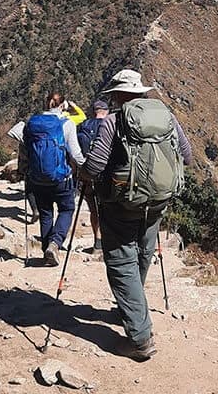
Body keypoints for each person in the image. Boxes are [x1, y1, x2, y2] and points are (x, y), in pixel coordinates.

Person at [83, 69, 192, 361]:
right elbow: (187, 155)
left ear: (118, 95)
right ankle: (132, 310)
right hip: (157, 203)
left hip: (121, 205)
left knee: (121, 263)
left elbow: (94, 167)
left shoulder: (113, 122)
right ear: (141, 92)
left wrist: (82, 174)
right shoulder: (167, 117)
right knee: (143, 254)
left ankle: (140, 339)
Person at [23, 92, 85, 266]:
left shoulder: (32, 124)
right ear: (62, 105)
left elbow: (26, 149)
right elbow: (76, 153)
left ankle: (46, 250)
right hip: (61, 178)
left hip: (37, 179)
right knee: (66, 209)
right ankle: (55, 243)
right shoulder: (67, 123)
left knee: (45, 213)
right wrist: (88, 167)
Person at [77, 100, 109, 258]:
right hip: (108, 175)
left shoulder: (84, 125)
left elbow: (75, 150)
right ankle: (110, 242)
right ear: (106, 111)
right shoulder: (111, 125)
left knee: (94, 209)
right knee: (110, 208)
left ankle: (97, 242)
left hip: (88, 174)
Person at [7, 120, 39, 223]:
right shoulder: (38, 139)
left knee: (29, 191)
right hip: (41, 168)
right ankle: (42, 211)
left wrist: (20, 172)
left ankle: (35, 210)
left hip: (29, 170)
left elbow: (22, 159)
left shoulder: (24, 143)